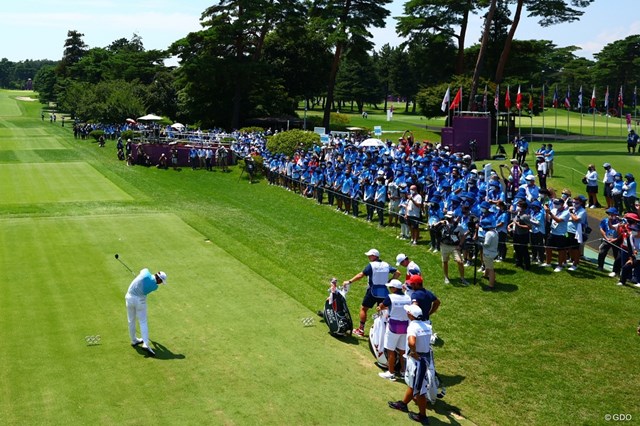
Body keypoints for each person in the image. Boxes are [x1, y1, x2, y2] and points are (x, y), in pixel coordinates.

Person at [387, 304, 433, 425]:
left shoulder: (412, 327)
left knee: (420, 390)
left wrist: (413, 352)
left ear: (411, 315)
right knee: (413, 385)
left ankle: (423, 416)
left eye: (408, 312)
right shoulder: (427, 325)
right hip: (425, 359)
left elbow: (412, 342)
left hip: (418, 362)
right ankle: (403, 404)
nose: (407, 313)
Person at [343, 249, 400, 337]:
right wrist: (390, 281)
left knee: (363, 308)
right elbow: (397, 273)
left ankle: (361, 330)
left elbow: (360, 275)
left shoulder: (371, 265)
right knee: (383, 311)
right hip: (383, 291)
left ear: (374, 256)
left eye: (370, 255)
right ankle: (383, 332)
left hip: (373, 290)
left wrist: (349, 281)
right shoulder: (386, 265)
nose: (368, 257)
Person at [125, 268, 167, 357]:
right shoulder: (155, 287)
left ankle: (133, 340)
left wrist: (140, 278)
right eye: (161, 281)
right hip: (140, 301)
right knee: (143, 322)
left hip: (129, 298)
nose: (160, 283)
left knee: (131, 320)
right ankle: (145, 344)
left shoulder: (145, 273)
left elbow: (142, 272)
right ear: (159, 278)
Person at [377, 279, 411, 381]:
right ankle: (403, 371)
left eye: (391, 287)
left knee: (390, 350)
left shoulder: (390, 297)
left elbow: (382, 306)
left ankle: (391, 373)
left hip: (393, 326)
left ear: (395, 288)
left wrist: (379, 308)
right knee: (402, 350)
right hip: (405, 326)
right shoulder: (408, 297)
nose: (390, 289)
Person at [436, 211, 469, 285]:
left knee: (460, 261)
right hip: (444, 245)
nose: (447, 218)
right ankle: (446, 277)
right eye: (447, 217)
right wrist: (439, 223)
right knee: (445, 261)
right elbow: (433, 228)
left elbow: (463, 235)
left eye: (449, 217)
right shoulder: (443, 224)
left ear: (453, 218)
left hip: (454, 246)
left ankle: (462, 278)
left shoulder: (458, 226)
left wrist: (460, 245)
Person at [481, 218, 499, 290]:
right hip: (493, 251)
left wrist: (480, 243)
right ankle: (485, 275)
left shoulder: (488, 233)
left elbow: (486, 244)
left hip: (488, 252)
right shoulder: (495, 232)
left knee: (491, 269)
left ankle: (491, 285)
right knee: (487, 265)